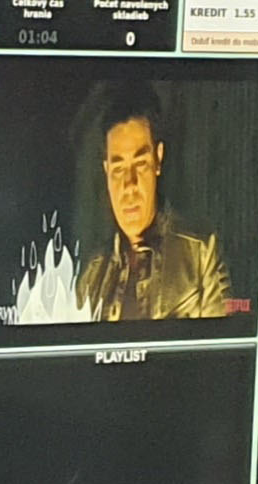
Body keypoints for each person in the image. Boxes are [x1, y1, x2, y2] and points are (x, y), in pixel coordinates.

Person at [73, 85, 231, 320]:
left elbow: (224, 339)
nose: (130, 185)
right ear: (106, 172)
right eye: (118, 169)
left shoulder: (201, 254)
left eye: (140, 164)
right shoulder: (91, 278)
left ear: (158, 159)